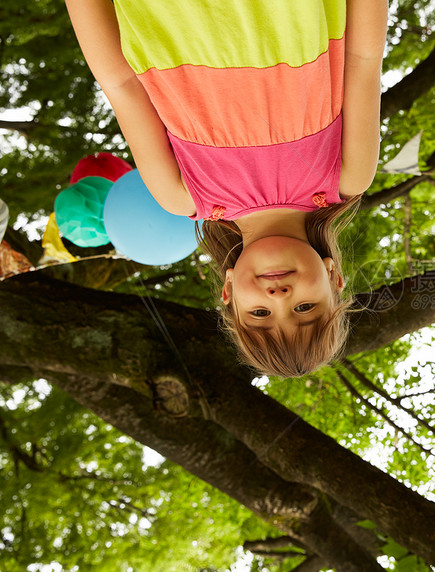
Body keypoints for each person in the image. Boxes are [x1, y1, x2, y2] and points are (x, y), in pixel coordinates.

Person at [66, 0, 388, 377]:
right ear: (334, 278)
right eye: (305, 309)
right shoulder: (347, 176)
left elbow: (121, 85)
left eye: (260, 314)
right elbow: (363, 58)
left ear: (228, 292)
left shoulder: (182, 196)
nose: (280, 298)